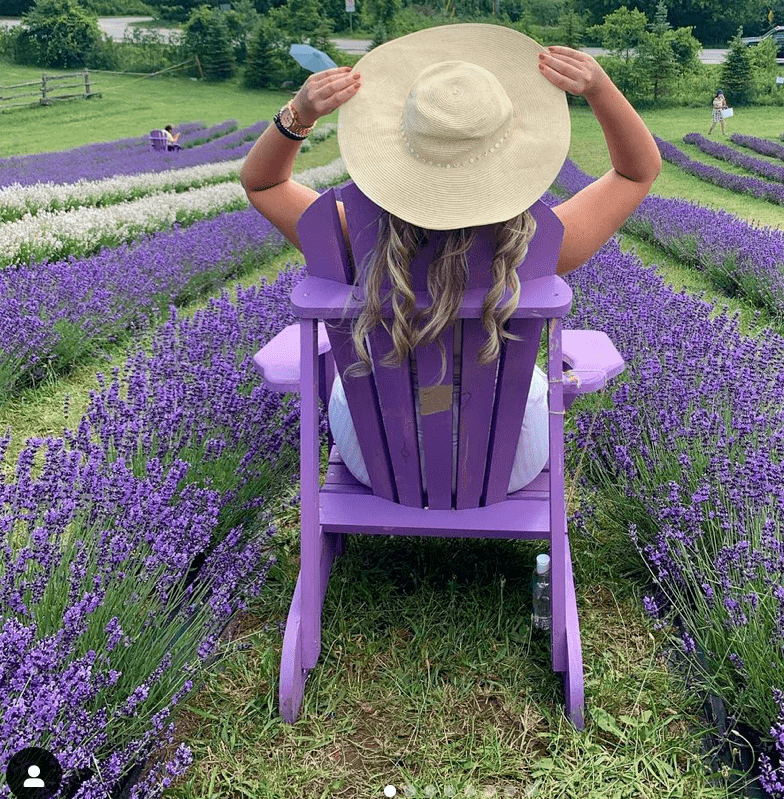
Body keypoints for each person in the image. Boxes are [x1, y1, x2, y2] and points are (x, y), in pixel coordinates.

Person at [240, 24, 661, 494]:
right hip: (509, 459)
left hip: (377, 453)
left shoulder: (348, 237)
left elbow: (262, 184)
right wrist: (601, 90)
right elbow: (637, 171)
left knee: (347, 384)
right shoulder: (542, 243)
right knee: (533, 383)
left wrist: (297, 115)